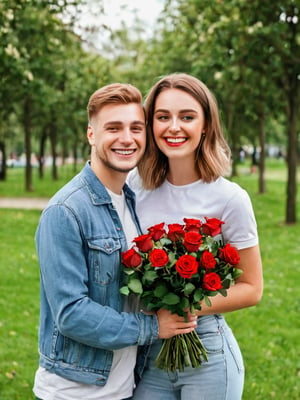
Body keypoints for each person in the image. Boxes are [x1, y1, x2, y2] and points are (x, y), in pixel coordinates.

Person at [33, 82, 197, 400]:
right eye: (113, 128)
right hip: (75, 392)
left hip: (123, 387)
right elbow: (71, 314)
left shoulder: (129, 200)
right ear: (92, 135)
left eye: (136, 128)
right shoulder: (65, 211)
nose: (126, 138)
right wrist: (153, 328)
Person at [127, 73, 263, 400]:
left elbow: (252, 288)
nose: (174, 127)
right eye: (163, 117)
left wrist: (185, 305)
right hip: (148, 354)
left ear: (205, 125)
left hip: (207, 355)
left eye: (187, 117)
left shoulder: (230, 198)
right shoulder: (133, 186)